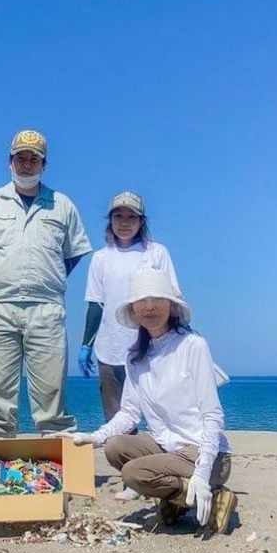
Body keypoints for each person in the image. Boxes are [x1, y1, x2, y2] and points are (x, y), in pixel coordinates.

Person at [61, 268, 237, 533]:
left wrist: (202, 473)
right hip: (168, 447)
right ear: (133, 311)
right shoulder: (135, 356)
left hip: (204, 453)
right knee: (115, 447)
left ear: (172, 306)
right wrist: (97, 437)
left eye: (158, 298)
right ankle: (180, 499)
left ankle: (209, 494)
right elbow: (130, 412)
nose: (150, 306)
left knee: (133, 473)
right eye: (141, 301)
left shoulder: (192, 346)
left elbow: (212, 416)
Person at [0, 129, 92, 437]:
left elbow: (73, 254)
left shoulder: (62, 205)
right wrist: (3, 276)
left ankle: (56, 447)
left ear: (43, 165)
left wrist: (47, 277)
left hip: (46, 307)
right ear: (10, 162)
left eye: (33, 159)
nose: (26, 164)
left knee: (51, 387)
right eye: (21, 158)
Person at [77, 191, 178, 501]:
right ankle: (130, 477)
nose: (124, 223)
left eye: (131, 217)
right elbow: (95, 304)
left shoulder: (155, 253)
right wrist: (86, 344)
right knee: (117, 414)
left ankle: (166, 465)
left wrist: (176, 337)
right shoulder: (101, 258)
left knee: (161, 408)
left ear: (141, 221)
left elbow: (170, 295)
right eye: (118, 217)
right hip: (110, 347)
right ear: (110, 221)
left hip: (151, 343)